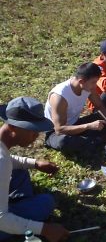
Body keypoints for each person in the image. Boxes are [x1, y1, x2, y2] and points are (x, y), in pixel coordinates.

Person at [0, 97, 69, 242]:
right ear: (12, 127)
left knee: (21, 170)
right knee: (45, 203)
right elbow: (1, 220)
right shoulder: (2, 161)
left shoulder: (2, 151)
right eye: (32, 130)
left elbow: (8, 161)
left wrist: (35, 163)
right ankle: (17, 212)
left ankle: (14, 205)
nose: (36, 136)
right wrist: (45, 229)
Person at [44, 63, 106, 157]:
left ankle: (88, 142)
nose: (95, 85)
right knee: (63, 142)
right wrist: (88, 126)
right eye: (93, 82)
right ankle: (97, 140)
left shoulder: (88, 87)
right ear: (81, 82)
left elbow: (100, 105)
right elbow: (59, 129)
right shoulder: (60, 97)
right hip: (56, 132)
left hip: (76, 124)